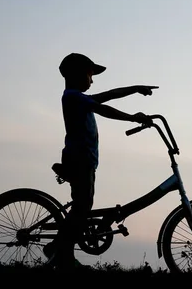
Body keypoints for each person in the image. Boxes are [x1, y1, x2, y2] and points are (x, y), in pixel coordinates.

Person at [46, 52, 157, 270]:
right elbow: (104, 108)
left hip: (84, 160)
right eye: (90, 74)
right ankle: (60, 252)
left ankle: (60, 250)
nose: (92, 80)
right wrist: (133, 117)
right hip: (79, 160)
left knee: (82, 206)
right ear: (78, 74)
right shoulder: (73, 97)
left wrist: (135, 88)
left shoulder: (80, 98)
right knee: (82, 207)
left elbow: (110, 94)